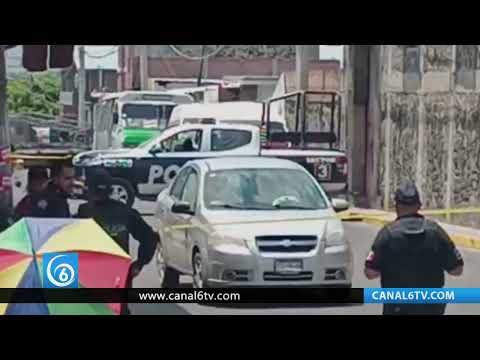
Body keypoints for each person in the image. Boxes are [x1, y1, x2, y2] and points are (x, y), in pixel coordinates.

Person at [364, 181, 464, 315]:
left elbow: (370, 273)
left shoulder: (387, 234)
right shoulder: (435, 232)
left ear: (397, 206)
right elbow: (457, 270)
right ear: (419, 205)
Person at [76, 168, 158, 314]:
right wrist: (139, 264)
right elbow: (150, 238)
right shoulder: (125, 212)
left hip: (90, 275)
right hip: (119, 276)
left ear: (90, 189)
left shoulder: (84, 212)